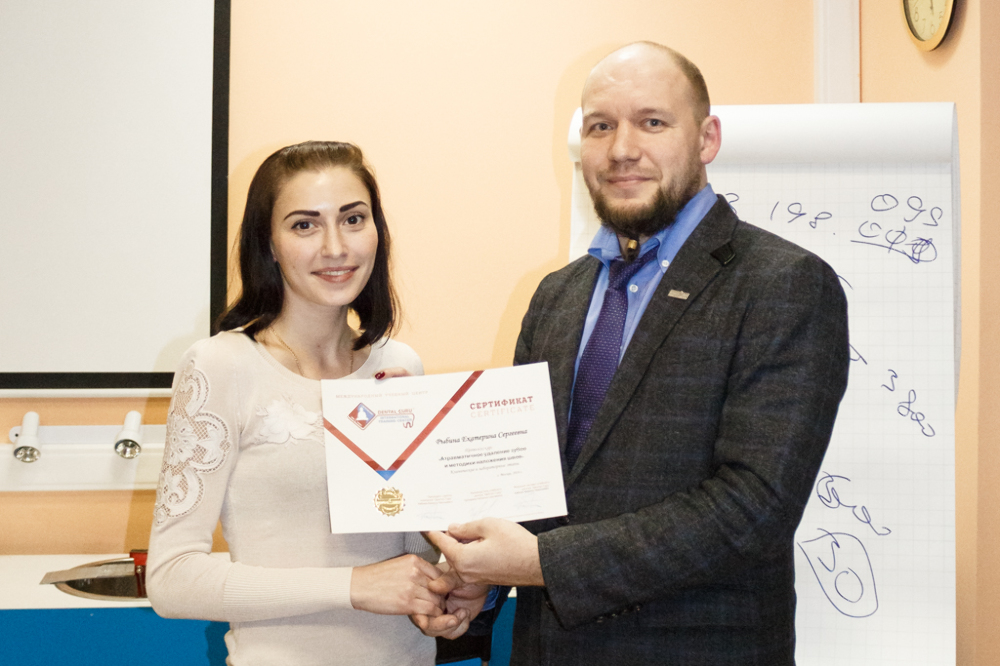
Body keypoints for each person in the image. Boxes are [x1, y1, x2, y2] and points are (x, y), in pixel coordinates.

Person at [427, 42, 851, 665]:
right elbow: (528, 485)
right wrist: (481, 581)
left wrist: (541, 563)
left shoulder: (783, 284)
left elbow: (753, 509)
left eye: (652, 122)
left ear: (707, 138)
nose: (622, 149)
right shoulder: (556, 296)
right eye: (600, 127)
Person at [147, 141, 480, 665]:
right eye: (305, 225)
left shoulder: (400, 365)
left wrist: (447, 589)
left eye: (353, 219)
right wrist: (353, 586)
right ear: (269, 243)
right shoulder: (221, 365)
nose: (335, 247)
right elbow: (171, 580)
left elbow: (410, 556)